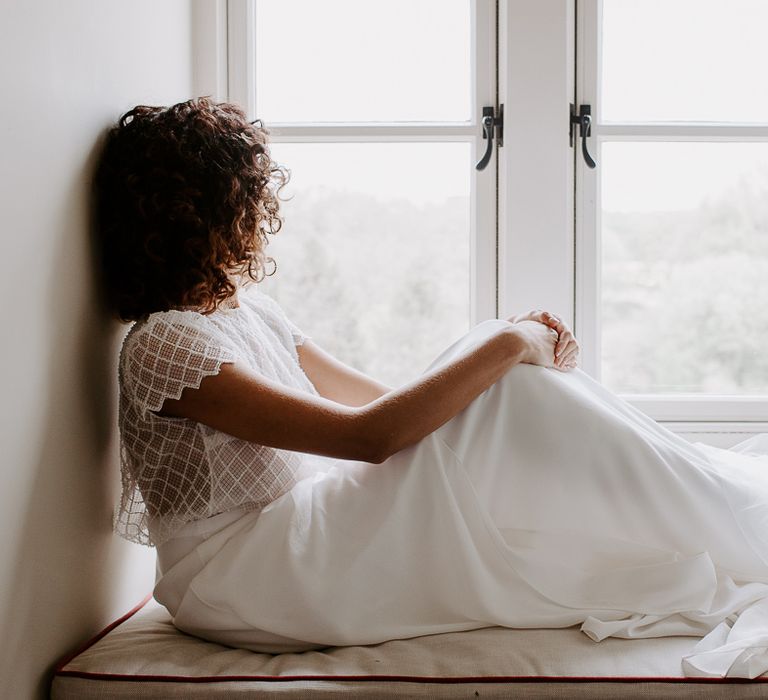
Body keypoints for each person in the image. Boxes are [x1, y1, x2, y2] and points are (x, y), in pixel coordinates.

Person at [96, 97, 768, 678]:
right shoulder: (164, 344)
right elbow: (369, 437)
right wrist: (508, 344)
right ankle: (742, 518)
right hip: (243, 577)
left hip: (293, 535)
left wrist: (499, 354)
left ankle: (732, 504)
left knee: (511, 399)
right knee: (511, 387)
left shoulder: (246, 310)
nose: (260, 212)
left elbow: (384, 400)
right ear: (205, 212)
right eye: (247, 196)